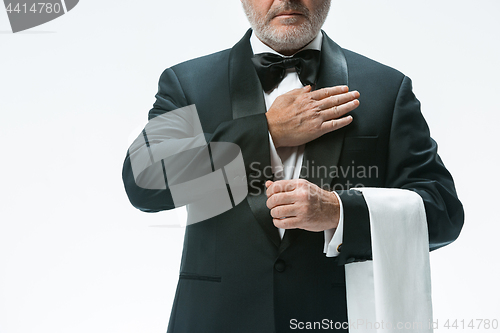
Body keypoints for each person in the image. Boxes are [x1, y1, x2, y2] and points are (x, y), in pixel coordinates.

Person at [122, 0, 464, 332]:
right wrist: (267, 131)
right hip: (216, 319)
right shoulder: (188, 84)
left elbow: (443, 212)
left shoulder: (387, 90)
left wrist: (338, 211)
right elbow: (145, 182)